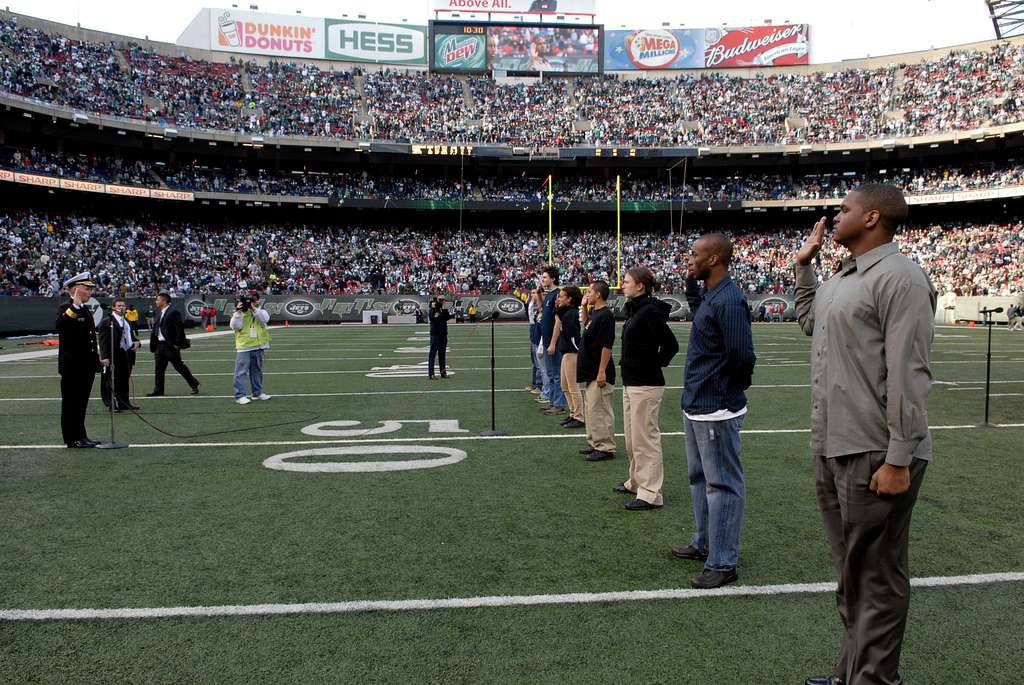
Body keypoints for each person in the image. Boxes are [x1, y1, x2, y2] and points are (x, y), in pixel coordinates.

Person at [795, 184, 936, 685]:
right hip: (834, 443)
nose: (835, 215)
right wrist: (805, 265)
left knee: (877, 577)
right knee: (852, 574)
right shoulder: (842, 277)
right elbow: (810, 320)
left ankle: (876, 679)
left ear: (872, 217)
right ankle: (851, 672)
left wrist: (898, 458)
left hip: (877, 451)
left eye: (845, 209)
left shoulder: (901, 279)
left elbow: (908, 373)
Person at [673, 234, 756, 590]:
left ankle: (723, 562)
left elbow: (742, 355)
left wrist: (727, 391)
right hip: (697, 404)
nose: (689, 259)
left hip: (716, 408)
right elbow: (699, 311)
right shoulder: (712, 294)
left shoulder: (730, 300)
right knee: (700, 479)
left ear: (716, 260)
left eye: (695, 255)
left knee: (721, 484)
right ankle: (704, 541)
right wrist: (692, 282)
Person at [616, 267, 679, 511]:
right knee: (633, 439)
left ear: (641, 285)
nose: (622, 284)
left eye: (627, 281)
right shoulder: (637, 309)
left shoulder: (650, 311)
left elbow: (670, 345)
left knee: (645, 439)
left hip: (646, 383)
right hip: (632, 381)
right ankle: (636, 481)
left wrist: (653, 364)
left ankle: (651, 493)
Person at [56, 272, 103, 448]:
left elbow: (90, 339)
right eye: (86, 289)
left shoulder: (84, 309)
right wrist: (73, 308)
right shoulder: (66, 308)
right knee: (71, 403)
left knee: (81, 403)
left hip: (86, 366)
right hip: (72, 366)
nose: (89, 292)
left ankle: (81, 435)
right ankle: (71, 438)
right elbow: (60, 325)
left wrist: (97, 362)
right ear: (75, 290)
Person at [577, 280, 616, 461]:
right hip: (590, 369)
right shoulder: (595, 313)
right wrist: (584, 307)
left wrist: (602, 371)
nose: (587, 294)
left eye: (590, 292)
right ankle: (594, 443)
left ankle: (605, 447)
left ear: (598, 294)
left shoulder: (606, 315)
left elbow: (607, 345)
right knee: (592, 409)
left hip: (598, 370)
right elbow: (586, 326)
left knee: (599, 410)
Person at [147, 292, 201, 396]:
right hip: (160, 345)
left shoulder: (173, 312)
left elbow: (179, 328)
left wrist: (177, 343)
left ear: (164, 301)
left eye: (158, 300)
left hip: (170, 345)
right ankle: (158, 390)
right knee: (159, 369)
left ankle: (194, 383)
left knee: (179, 366)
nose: (156, 302)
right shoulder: (161, 313)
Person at [99, 297, 142, 412]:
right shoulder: (107, 322)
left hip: (126, 354)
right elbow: (103, 341)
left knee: (123, 379)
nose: (122, 308)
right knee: (110, 380)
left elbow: (131, 337)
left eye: (123, 306)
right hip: (114, 354)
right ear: (113, 307)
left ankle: (124, 402)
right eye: (119, 306)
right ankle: (110, 404)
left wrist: (137, 343)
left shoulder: (126, 320)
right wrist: (105, 357)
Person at [552, 285, 584, 429]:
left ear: (569, 299)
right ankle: (573, 413)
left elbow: (573, 336)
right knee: (564, 386)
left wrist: (577, 351)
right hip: (566, 352)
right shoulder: (565, 312)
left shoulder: (571, 314)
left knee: (572, 386)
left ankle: (579, 416)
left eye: (562, 296)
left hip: (572, 353)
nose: (559, 298)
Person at [230, 292, 272, 405]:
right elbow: (234, 326)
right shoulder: (239, 314)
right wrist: (238, 312)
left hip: (258, 346)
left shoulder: (261, 311)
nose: (252, 303)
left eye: (254, 300)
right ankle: (240, 395)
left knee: (257, 371)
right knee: (241, 372)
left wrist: (254, 309)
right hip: (244, 347)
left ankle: (257, 393)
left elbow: (264, 319)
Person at [539, 266, 566, 414]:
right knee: (551, 374)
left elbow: (558, 321)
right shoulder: (549, 294)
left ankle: (559, 404)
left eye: (544, 277)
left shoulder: (557, 294)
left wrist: (553, 343)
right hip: (548, 339)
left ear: (553, 278)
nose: (542, 280)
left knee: (556, 375)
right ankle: (552, 402)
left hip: (553, 341)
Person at [427, 296, 452, 380]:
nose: (443, 301)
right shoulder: (433, 309)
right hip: (435, 334)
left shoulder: (443, 309)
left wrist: (444, 311)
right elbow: (432, 318)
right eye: (441, 300)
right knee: (432, 355)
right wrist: (434, 308)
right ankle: (431, 374)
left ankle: (443, 372)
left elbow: (447, 317)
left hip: (443, 334)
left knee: (442, 354)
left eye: (443, 300)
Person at [526, 283, 543, 395]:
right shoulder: (532, 304)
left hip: (536, 332)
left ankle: (539, 385)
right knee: (534, 362)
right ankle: (534, 383)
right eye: (531, 293)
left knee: (538, 362)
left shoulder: (539, 307)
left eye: (535, 293)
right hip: (532, 330)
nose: (533, 295)